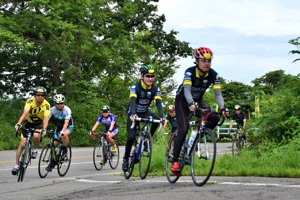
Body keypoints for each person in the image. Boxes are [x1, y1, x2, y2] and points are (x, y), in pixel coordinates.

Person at [170, 47, 227, 174]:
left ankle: (197, 135)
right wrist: (190, 103)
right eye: (203, 60)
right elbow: (187, 90)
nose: (207, 63)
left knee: (213, 117)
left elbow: (218, 94)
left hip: (197, 101)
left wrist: (223, 107)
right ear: (196, 61)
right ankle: (175, 162)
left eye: (209, 61)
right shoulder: (190, 72)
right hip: (183, 101)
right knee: (183, 129)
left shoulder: (213, 74)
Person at [122, 64, 164, 172]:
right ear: (142, 77)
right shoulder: (135, 87)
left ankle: (147, 139)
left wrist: (162, 116)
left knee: (157, 120)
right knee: (131, 138)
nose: (150, 79)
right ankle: (126, 159)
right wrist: (133, 113)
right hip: (133, 113)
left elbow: (158, 103)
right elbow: (132, 101)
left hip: (145, 112)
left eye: (152, 76)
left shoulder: (155, 89)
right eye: (148, 76)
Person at [11, 86, 50, 175]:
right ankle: (17, 165)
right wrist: (19, 123)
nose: (40, 97)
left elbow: (46, 118)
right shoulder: (30, 101)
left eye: (42, 95)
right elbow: (25, 113)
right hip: (28, 123)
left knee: (37, 135)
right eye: (38, 95)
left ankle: (35, 149)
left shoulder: (46, 104)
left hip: (38, 125)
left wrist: (44, 129)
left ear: (44, 96)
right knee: (22, 143)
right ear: (35, 95)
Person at [45, 94, 74, 171]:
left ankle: (65, 150)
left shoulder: (67, 110)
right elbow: (47, 120)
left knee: (64, 135)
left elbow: (66, 123)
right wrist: (43, 128)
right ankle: (52, 162)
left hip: (68, 126)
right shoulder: (52, 110)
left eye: (62, 103)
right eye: (58, 104)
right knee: (54, 145)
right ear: (55, 103)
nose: (60, 105)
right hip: (58, 127)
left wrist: (62, 131)